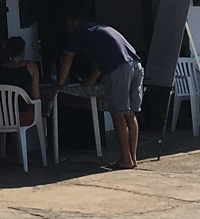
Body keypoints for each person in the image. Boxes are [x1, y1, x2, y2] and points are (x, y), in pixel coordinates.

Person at [57, 10, 143, 170]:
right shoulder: (98, 31)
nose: (68, 30)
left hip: (120, 68)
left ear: (76, 22)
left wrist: (60, 83)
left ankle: (125, 159)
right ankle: (133, 158)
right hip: (136, 65)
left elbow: (67, 59)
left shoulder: (80, 32)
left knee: (118, 114)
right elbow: (99, 63)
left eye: (69, 26)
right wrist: (89, 82)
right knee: (130, 114)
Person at [0, 36, 40, 126]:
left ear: (8, 51)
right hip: (22, 116)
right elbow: (35, 95)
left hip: (0, 117)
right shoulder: (31, 67)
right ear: (23, 50)